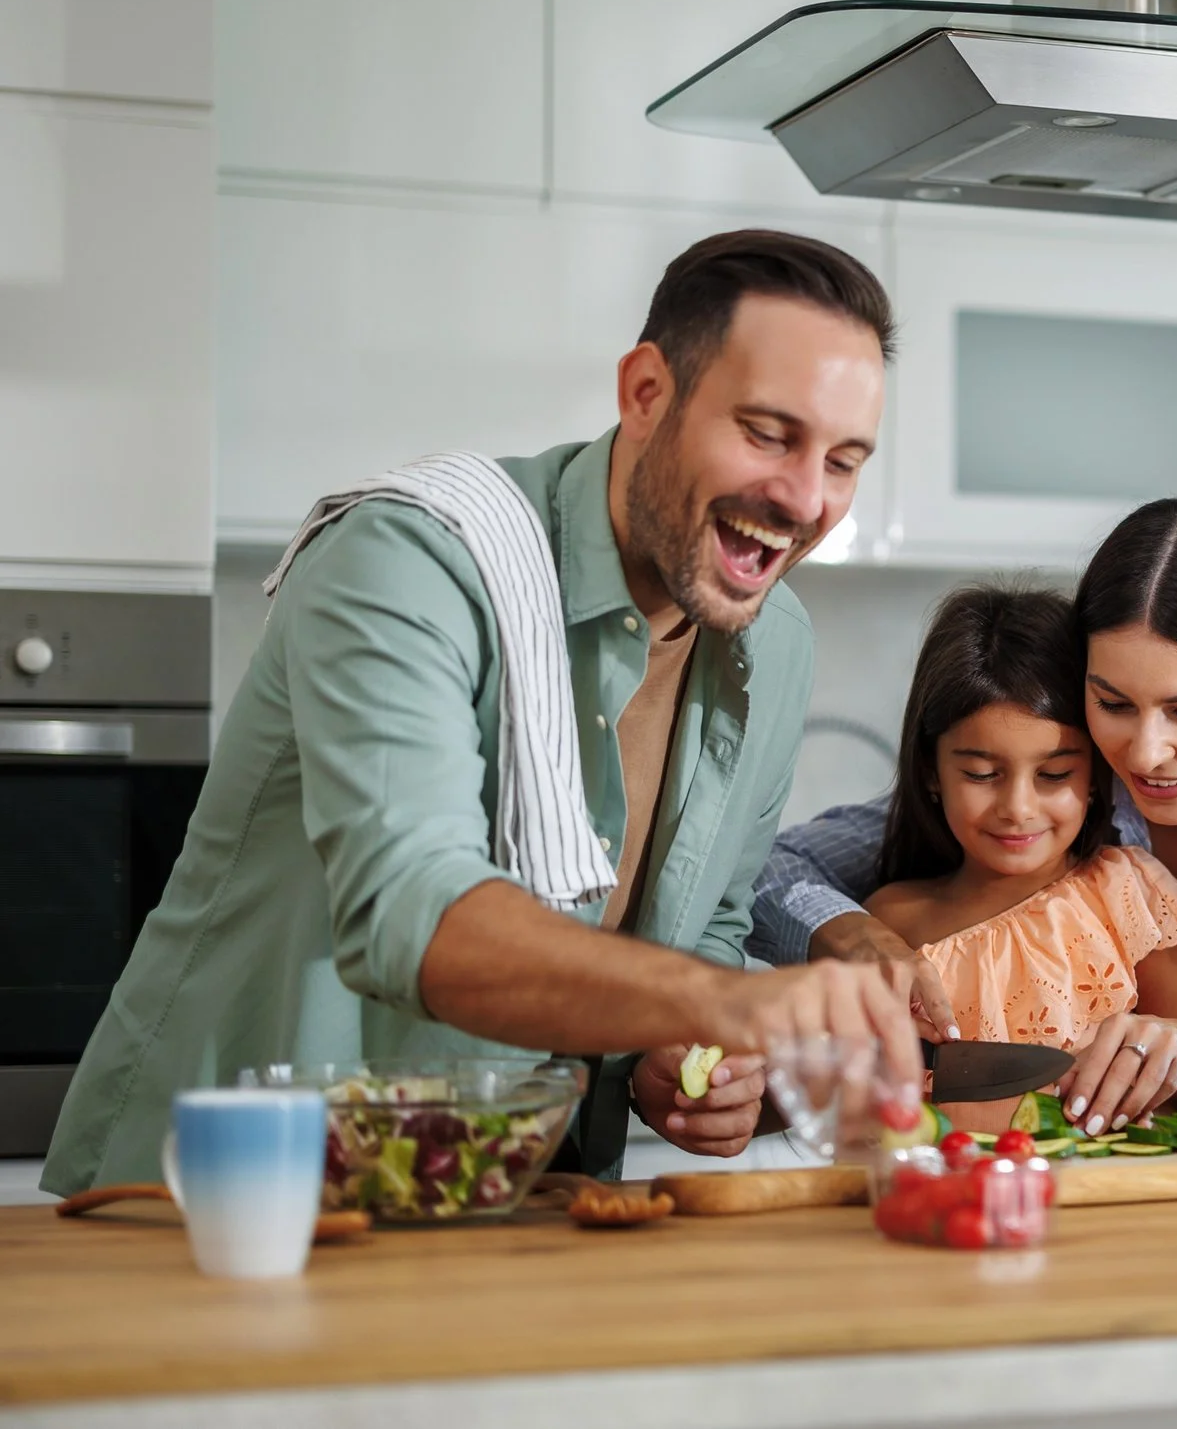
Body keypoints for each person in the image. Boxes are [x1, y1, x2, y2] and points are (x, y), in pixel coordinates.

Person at [43, 229, 923, 1196]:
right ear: (645, 392)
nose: (805, 497)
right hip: (225, 1197)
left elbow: (703, 921)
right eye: (767, 432)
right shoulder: (411, 558)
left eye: (843, 459)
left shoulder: (779, 640)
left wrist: (677, 1055)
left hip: (517, 1206)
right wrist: (741, 1004)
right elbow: (413, 914)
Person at [755, 498, 1177, 1137]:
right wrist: (852, 937)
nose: (1143, 754)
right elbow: (768, 869)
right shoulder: (1066, 764)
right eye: (1112, 702)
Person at [862, 584, 1177, 1128]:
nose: (1017, 808)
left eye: (1055, 775)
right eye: (982, 774)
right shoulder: (888, 926)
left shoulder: (1132, 897)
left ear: (1098, 774)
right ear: (932, 772)